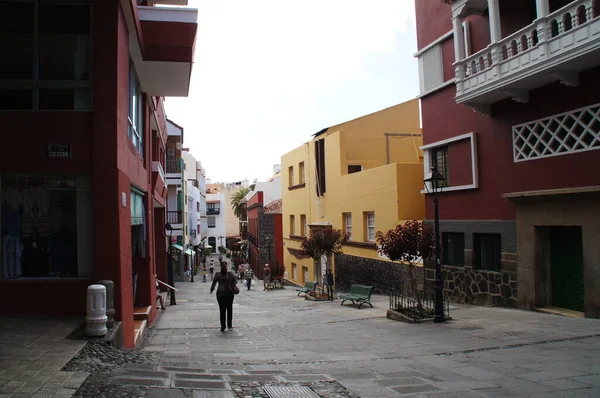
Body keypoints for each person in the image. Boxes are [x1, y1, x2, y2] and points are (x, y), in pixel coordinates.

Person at [210, 261, 237, 332]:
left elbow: (214, 284)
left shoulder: (218, 274)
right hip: (229, 294)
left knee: (222, 310)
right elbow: (235, 282)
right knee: (229, 309)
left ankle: (223, 326)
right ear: (227, 266)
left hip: (220, 295)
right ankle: (229, 325)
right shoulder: (230, 274)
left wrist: (212, 290)